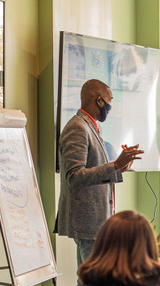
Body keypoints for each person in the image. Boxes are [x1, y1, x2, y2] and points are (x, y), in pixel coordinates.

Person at [56, 79, 144, 268]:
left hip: (97, 221)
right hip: (87, 222)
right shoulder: (77, 128)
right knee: (93, 281)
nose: (111, 107)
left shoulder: (91, 126)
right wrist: (114, 165)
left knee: (91, 281)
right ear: (99, 100)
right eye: (109, 101)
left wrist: (121, 167)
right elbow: (74, 176)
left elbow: (95, 169)